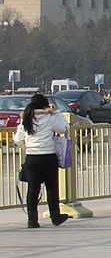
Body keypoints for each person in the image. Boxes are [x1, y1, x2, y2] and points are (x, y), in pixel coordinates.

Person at [13, 94, 70, 228]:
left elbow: (17, 139)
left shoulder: (26, 119)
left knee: (33, 189)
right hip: (48, 156)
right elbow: (62, 129)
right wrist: (56, 112)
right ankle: (55, 217)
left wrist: (27, 147)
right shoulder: (49, 117)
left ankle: (32, 220)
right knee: (51, 188)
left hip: (32, 158)